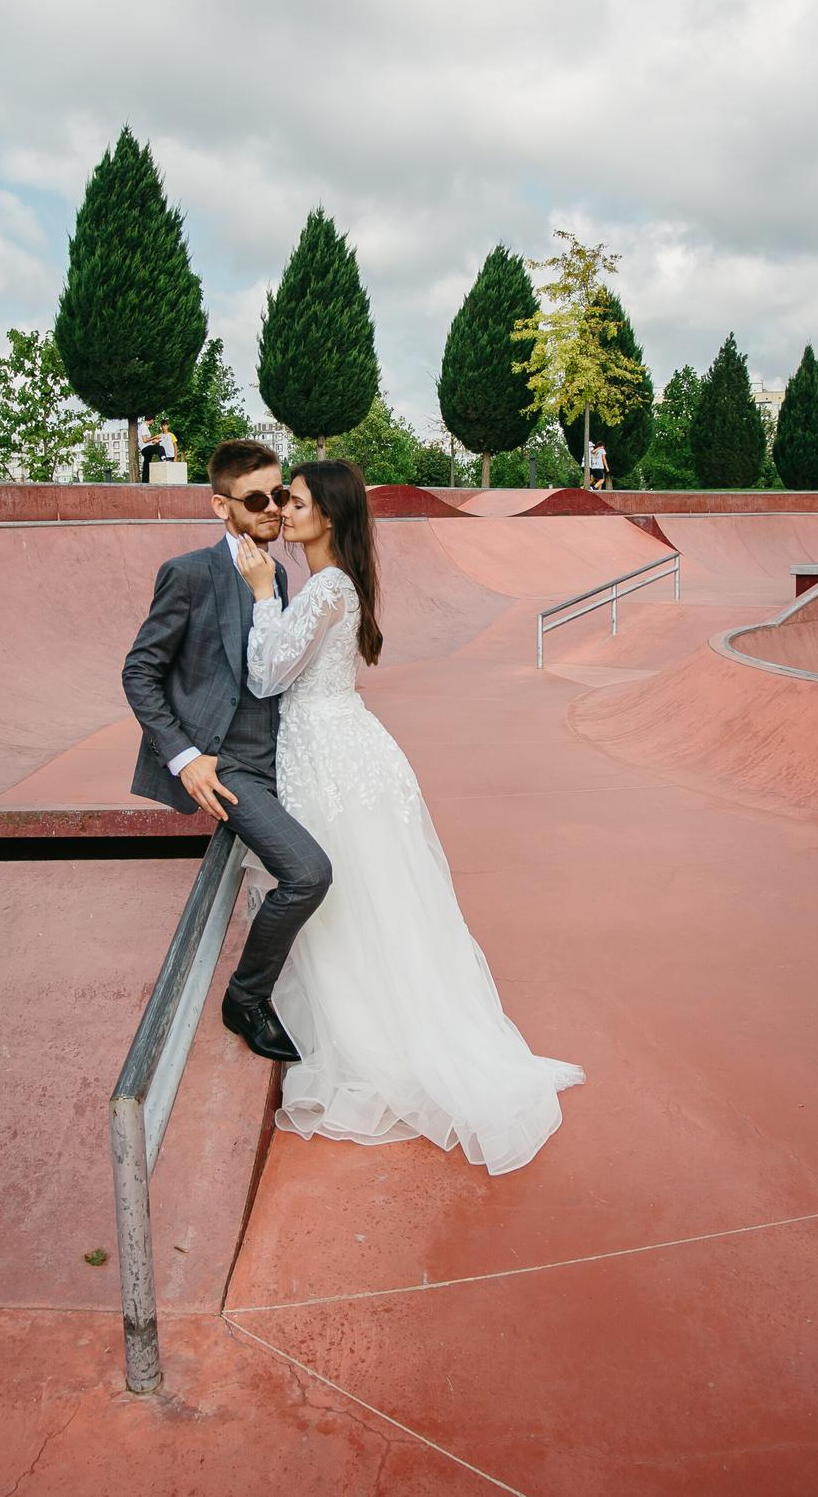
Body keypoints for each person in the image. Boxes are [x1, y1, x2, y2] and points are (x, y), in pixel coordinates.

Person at [235, 459, 582, 1175]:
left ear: (327, 516)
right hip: (341, 745)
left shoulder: (325, 586)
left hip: (330, 753)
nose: (284, 510)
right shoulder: (336, 583)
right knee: (370, 895)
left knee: (352, 894)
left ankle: (373, 1036)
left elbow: (267, 675)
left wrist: (264, 593)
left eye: (295, 501)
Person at [121, 439, 331, 1062]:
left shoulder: (280, 575)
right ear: (221, 507)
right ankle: (247, 998)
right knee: (308, 873)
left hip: (283, 755)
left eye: (281, 497)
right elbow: (140, 672)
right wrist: (185, 757)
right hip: (229, 763)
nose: (273, 509)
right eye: (257, 499)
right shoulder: (189, 574)